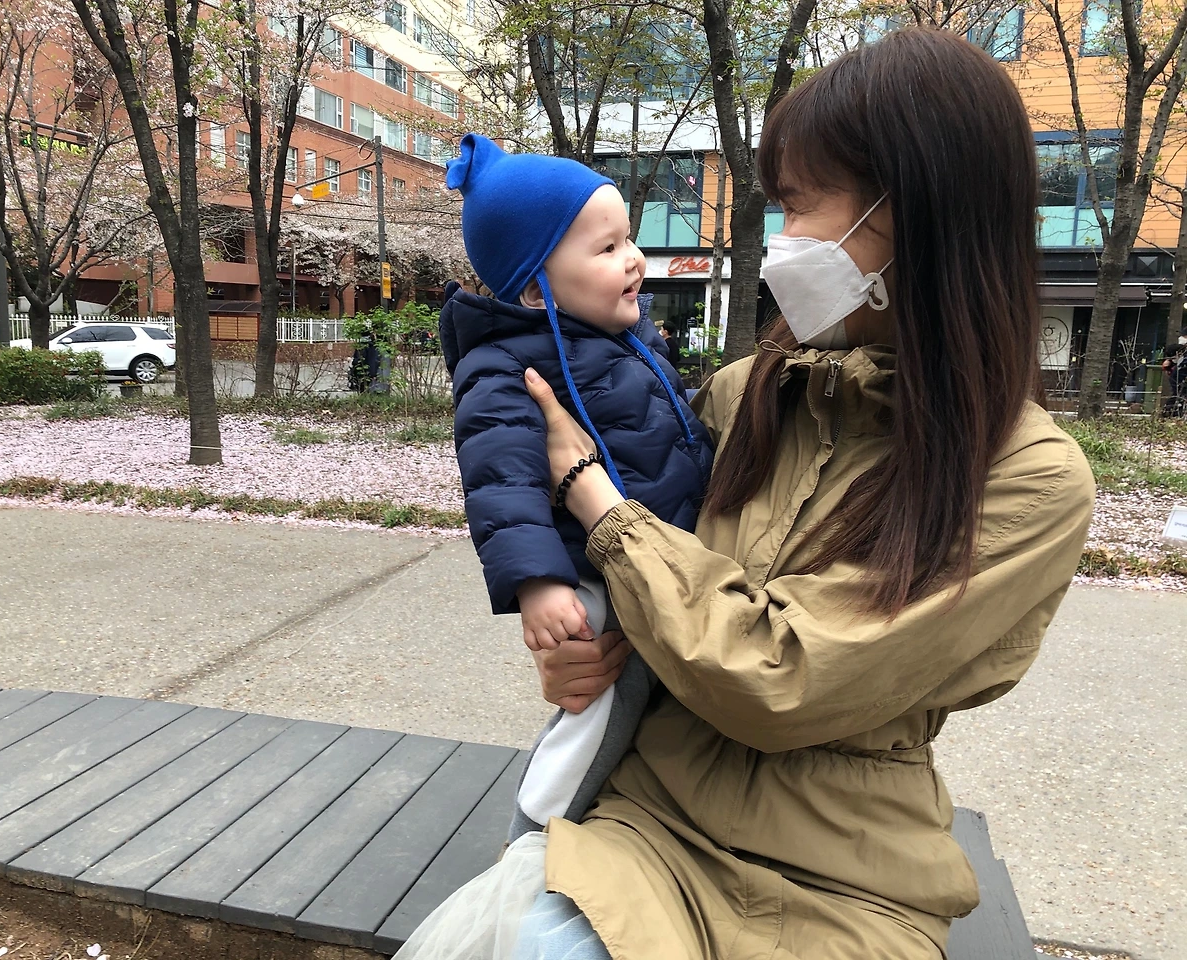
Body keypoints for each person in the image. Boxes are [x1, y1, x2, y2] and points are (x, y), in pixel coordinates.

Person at [398, 28, 1095, 960]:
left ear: (915, 208)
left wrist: (588, 494)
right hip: (650, 819)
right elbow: (648, 583)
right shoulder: (750, 394)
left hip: (843, 882)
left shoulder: (1026, 478)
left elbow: (778, 679)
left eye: (802, 204)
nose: (785, 239)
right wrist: (580, 646)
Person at [436, 134, 713, 842]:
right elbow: (501, 484)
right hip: (596, 570)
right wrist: (538, 585)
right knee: (601, 696)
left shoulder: (634, 342)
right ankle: (537, 827)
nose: (634, 259)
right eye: (608, 248)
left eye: (630, 240)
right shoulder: (505, 369)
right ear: (537, 289)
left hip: (658, 552)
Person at [1163, 325, 1186, 416]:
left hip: (1180, 379)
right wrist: (1170, 362)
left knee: (1179, 395)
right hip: (1179, 379)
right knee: (1178, 395)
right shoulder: (1181, 351)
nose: (1181, 338)